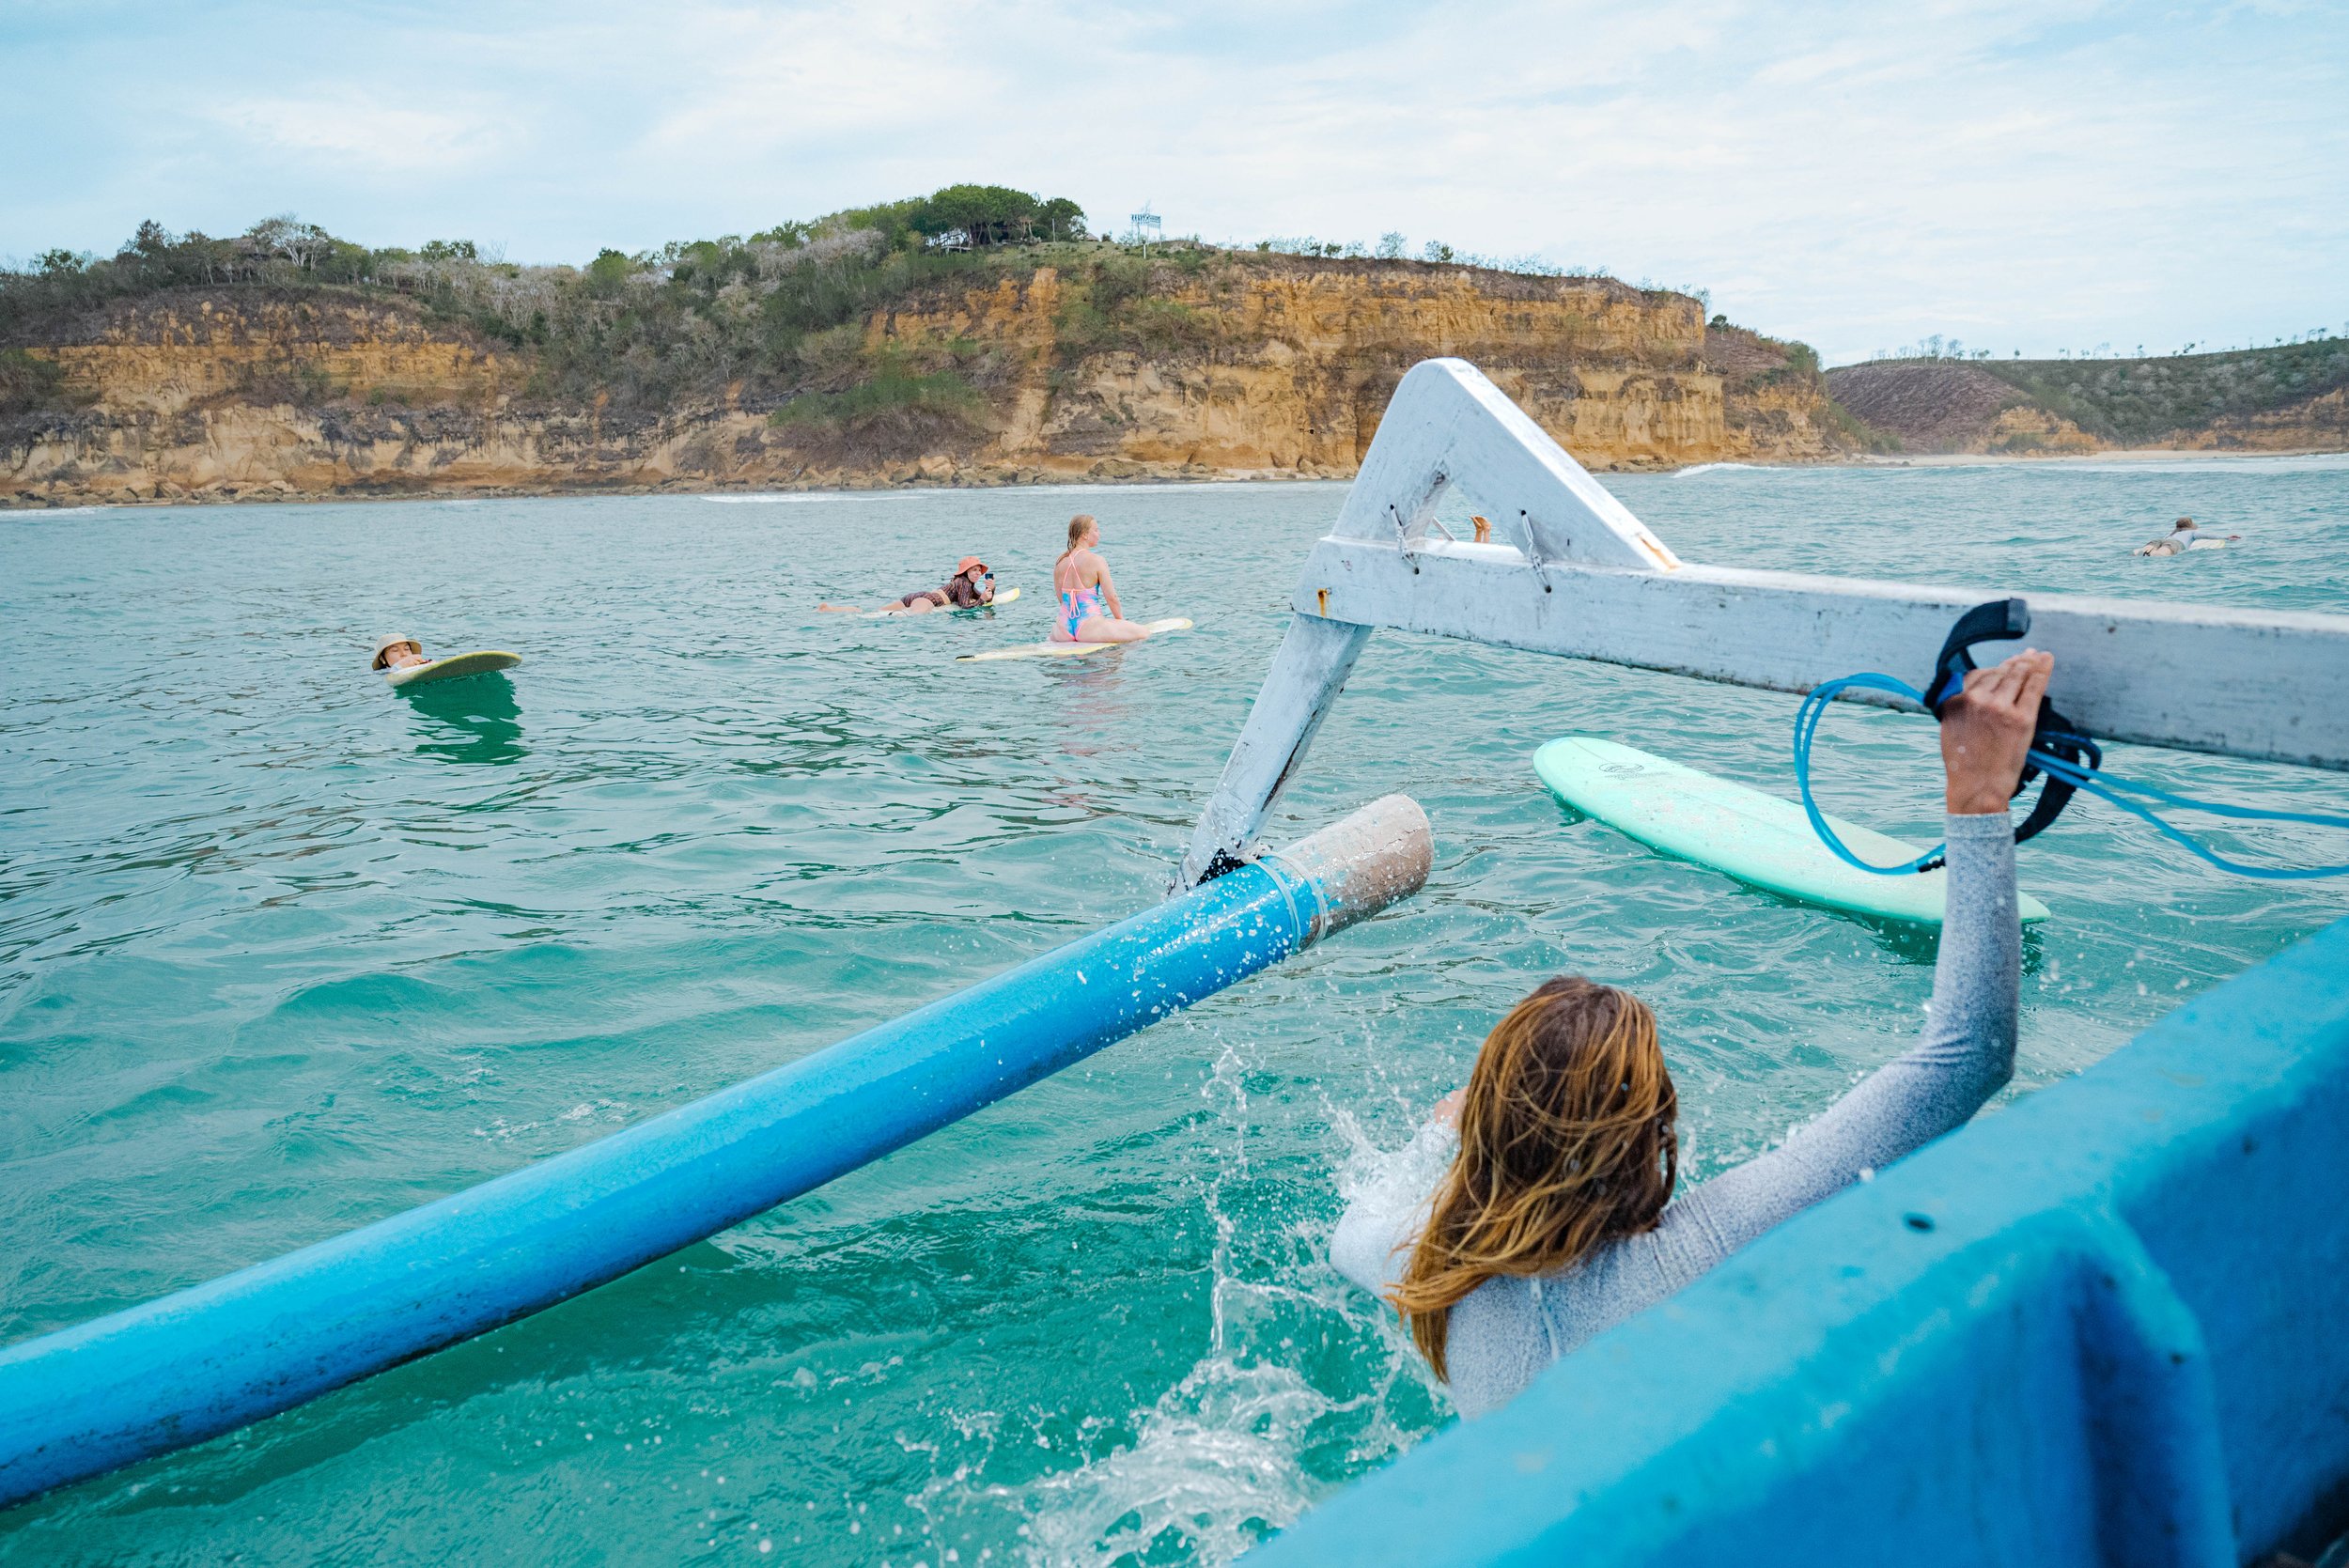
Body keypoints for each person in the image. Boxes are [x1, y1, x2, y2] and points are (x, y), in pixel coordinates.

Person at [1332, 649, 2052, 1419]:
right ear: (1653, 1126)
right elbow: (1969, 1054)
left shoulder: (1430, 1264)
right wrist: (1978, 797)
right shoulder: (1696, 1251)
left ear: (1488, 1122)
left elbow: (1350, 1231)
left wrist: (1440, 1137)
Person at [1051, 515, 1152, 644]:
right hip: (1088, 628)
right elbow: (1112, 597)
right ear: (1085, 535)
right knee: (1144, 633)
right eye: (1096, 530)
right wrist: (1120, 621)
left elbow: (1062, 601)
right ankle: (1115, 660)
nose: (1099, 534)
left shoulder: (1060, 562)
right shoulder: (1097, 561)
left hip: (1062, 630)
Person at [820, 557, 996, 613]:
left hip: (917, 596)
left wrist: (991, 590)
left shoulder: (965, 585)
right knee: (909, 616)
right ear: (965, 572)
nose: (977, 573)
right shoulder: (964, 584)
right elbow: (967, 606)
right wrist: (981, 600)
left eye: (978, 570)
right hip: (928, 600)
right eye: (973, 570)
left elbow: (979, 597)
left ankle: (830, 609)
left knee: (873, 613)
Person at [2135, 518, 2239, 556]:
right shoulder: (2192, 532)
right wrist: (2226, 537)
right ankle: (2152, 554)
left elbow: (2165, 539)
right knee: (2160, 554)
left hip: (2161, 540)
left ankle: (2138, 552)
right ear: (2190, 526)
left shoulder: (2172, 533)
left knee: (2146, 550)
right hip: (2175, 544)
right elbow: (2207, 536)